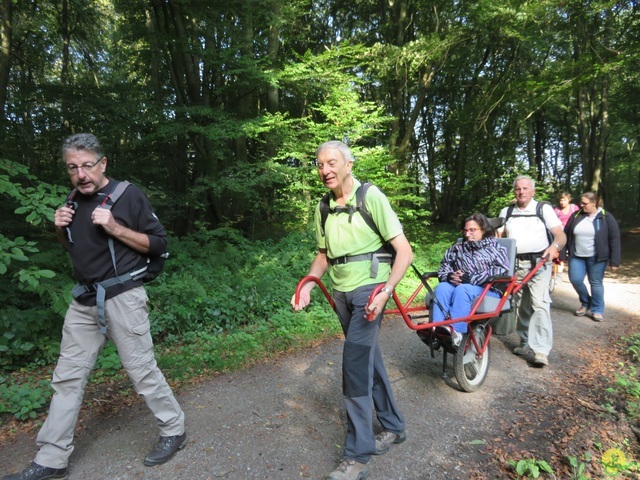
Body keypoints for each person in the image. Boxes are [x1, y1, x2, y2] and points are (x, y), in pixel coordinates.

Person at [4, 134, 186, 480]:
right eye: (73, 168)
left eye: (87, 165)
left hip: (123, 297)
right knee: (67, 379)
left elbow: (159, 244)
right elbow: (76, 250)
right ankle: (51, 459)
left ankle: (173, 429)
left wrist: (114, 226)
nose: (80, 174)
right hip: (84, 300)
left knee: (142, 371)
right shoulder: (72, 200)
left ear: (103, 163)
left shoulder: (127, 196)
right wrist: (60, 230)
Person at [291, 141, 413, 480]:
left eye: (331, 162)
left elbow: (404, 252)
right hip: (341, 293)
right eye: (319, 164)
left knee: (354, 365)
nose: (324, 170)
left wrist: (386, 291)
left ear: (348, 164)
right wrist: (310, 283)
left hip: (370, 292)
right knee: (368, 359)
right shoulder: (323, 207)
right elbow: (323, 256)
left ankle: (357, 454)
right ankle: (394, 425)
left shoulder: (370, 196)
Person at [498, 175, 566, 367]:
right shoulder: (507, 211)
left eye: (525, 188)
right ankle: (525, 341)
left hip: (539, 264)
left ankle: (541, 351)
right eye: (518, 189)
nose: (521, 192)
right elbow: (498, 234)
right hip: (514, 265)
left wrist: (555, 248)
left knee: (540, 303)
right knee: (521, 305)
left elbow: (560, 235)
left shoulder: (543, 209)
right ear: (514, 191)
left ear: (533, 191)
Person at [431, 213, 510, 345]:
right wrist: (450, 276)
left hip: (487, 289)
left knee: (464, 289)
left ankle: (457, 332)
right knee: (442, 287)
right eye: (465, 231)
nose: (467, 234)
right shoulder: (457, 248)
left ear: (483, 230)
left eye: (472, 230)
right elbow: (444, 266)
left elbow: (500, 270)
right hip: (460, 285)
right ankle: (436, 329)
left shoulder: (496, 249)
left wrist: (470, 278)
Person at [563, 192, 621, 322]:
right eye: (581, 203)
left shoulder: (606, 217)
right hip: (577, 256)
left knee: (595, 282)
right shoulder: (576, 215)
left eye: (584, 203)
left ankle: (597, 310)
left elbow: (614, 239)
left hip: (597, 258)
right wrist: (562, 253)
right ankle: (586, 302)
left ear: (593, 203)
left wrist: (614, 261)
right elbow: (566, 234)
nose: (581, 205)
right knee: (575, 279)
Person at [552, 192, 580, 276]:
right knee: (559, 251)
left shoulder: (574, 208)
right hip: (560, 233)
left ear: (569, 200)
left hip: (572, 232)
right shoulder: (556, 210)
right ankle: (559, 270)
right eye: (561, 200)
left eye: (564, 200)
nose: (562, 202)